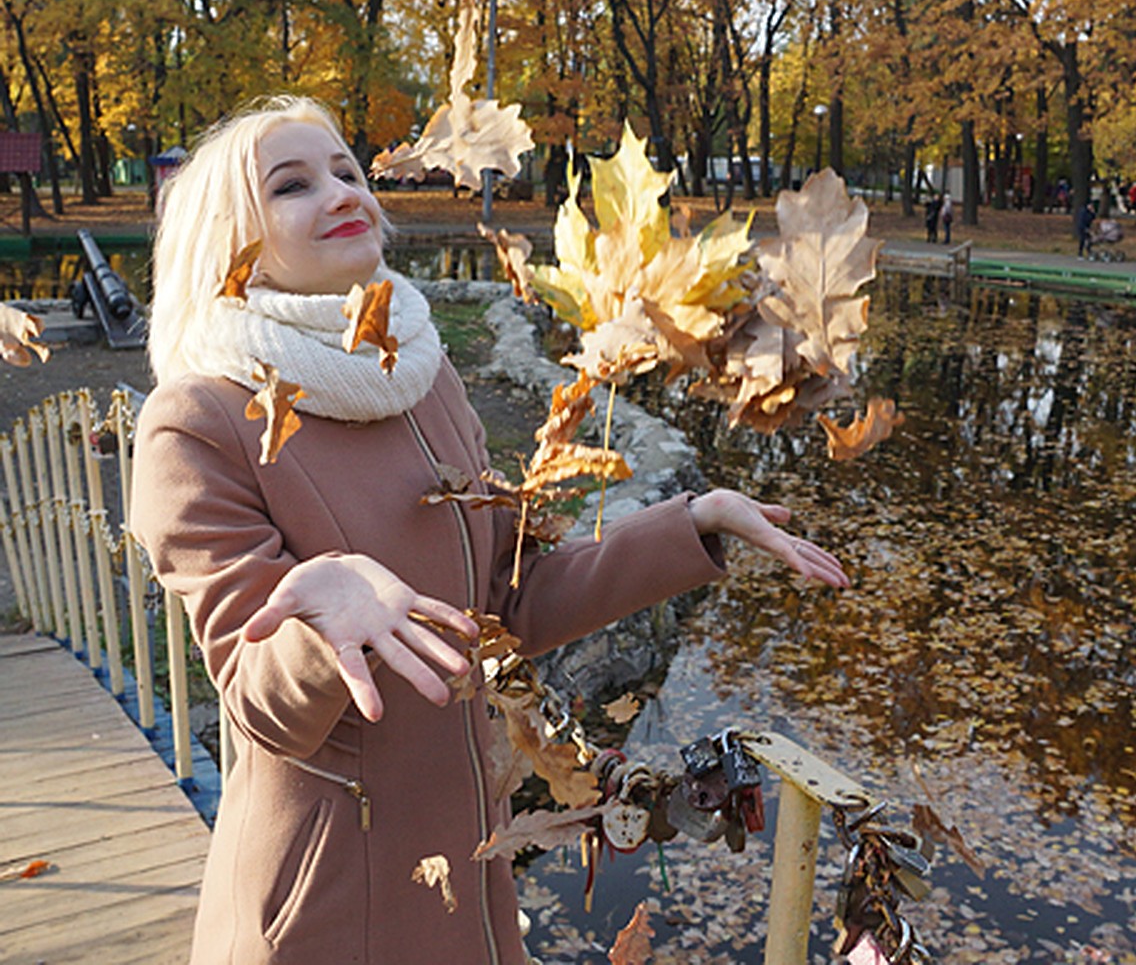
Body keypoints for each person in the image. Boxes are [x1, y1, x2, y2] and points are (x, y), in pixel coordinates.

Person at [129, 95, 849, 965]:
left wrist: (693, 525)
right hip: (328, 902)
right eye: (293, 185)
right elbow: (257, 705)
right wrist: (320, 623)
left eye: (348, 172)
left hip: (465, 874)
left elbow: (511, 604)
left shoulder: (422, 379)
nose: (341, 191)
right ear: (228, 242)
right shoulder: (199, 420)